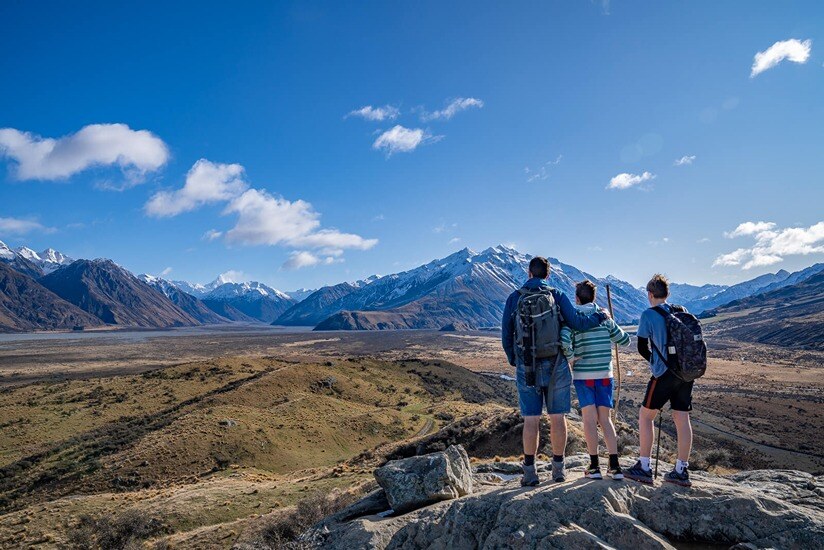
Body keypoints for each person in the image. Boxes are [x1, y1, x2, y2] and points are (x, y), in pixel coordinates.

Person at [502, 257, 609, 486]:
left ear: (529, 273)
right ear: (548, 275)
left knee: (531, 419)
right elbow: (577, 323)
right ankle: (558, 470)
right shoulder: (557, 295)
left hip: (526, 364)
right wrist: (600, 316)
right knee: (557, 418)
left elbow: (506, 335)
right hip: (556, 364)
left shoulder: (515, 298)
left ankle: (530, 473)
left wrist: (516, 360)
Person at [624, 274, 694, 487]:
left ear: (650, 294)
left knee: (646, 416)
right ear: (667, 294)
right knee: (682, 419)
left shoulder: (648, 314)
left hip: (664, 374)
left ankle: (644, 467)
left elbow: (641, 347)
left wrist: (656, 363)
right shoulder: (680, 311)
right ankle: (681, 470)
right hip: (686, 373)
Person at [560, 280, 630, 480]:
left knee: (589, 421)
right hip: (605, 376)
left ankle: (594, 466)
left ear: (577, 298)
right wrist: (611, 322)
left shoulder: (573, 318)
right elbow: (625, 340)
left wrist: (571, 356)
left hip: (583, 376)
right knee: (605, 420)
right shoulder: (604, 317)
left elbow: (564, 338)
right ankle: (615, 467)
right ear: (594, 296)